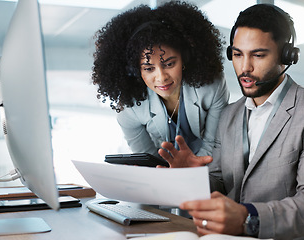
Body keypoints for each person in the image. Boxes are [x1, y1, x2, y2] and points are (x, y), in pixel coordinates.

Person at [159, 4, 304, 240]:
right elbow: (221, 182)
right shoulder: (228, 115)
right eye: (237, 55)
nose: (245, 67)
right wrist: (192, 179)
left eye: (258, 55)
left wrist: (247, 217)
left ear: (286, 56)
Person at [92, 1, 229, 157]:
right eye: (149, 69)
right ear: (135, 71)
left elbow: (214, 145)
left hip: (210, 169)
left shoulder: (212, 87)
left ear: (185, 58)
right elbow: (146, 159)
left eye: (169, 64)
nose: (162, 77)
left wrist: (190, 170)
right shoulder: (130, 111)